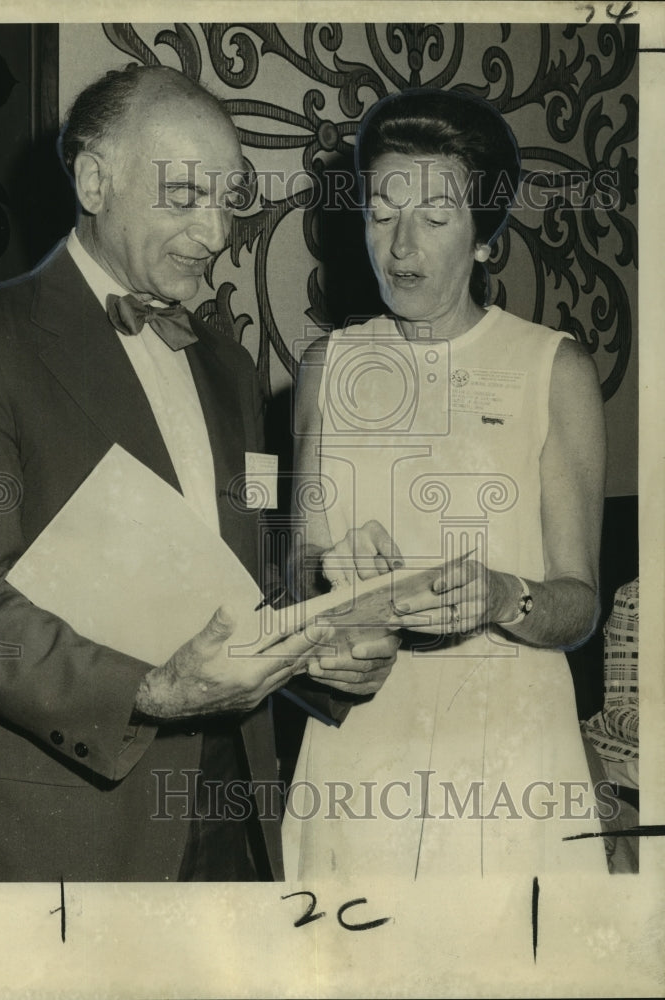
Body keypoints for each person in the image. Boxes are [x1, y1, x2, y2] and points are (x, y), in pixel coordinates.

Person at [0, 64, 398, 883]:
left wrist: (323, 644)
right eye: (184, 196)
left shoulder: (230, 367)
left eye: (229, 200)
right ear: (94, 179)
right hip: (57, 829)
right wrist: (151, 690)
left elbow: (249, 578)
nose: (214, 233)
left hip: (232, 814)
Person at [282, 88, 609, 880]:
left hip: (510, 743)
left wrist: (503, 596)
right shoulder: (329, 367)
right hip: (360, 730)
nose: (399, 246)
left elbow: (579, 603)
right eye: (381, 212)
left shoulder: (552, 370)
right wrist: (326, 593)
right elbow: (291, 578)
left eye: (434, 219)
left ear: (487, 239)